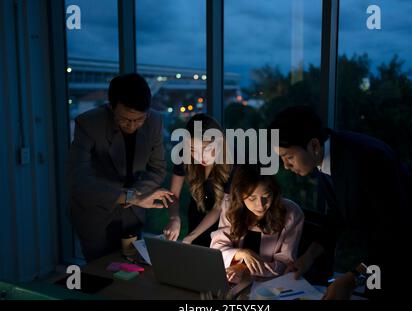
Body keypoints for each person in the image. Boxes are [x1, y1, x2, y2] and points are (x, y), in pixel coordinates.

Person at [269, 106, 412, 300]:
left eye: (289, 157)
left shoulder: (366, 160)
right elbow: (336, 213)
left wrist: (353, 278)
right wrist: (309, 257)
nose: (286, 166)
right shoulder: (325, 155)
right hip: (391, 242)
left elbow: (395, 231)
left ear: (313, 145)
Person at [69, 73, 173, 262]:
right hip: (96, 214)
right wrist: (134, 197)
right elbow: (80, 182)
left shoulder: (154, 121)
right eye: (125, 119)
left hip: (134, 215)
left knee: (132, 271)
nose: (132, 126)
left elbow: (157, 169)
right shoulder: (88, 124)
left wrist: (136, 198)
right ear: (111, 107)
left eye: (139, 119)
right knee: (100, 273)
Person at [210, 165, 304, 284]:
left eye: (266, 196)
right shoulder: (230, 206)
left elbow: (285, 263)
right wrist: (241, 253)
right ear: (240, 195)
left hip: (269, 283)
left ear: (274, 193)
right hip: (234, 281)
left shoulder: (292, 213)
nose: (260, 205)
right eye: (252, 198)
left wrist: (243, 268)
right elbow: (217, 249)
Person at [163, 113, 233, 247]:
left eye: (206, 149)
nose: (200, 156)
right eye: (193, 150)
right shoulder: (184, 155)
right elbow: (174, 195)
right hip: (196, 215)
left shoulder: (232, 162)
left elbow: (219, 208)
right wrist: (174, 218)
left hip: (223, 226)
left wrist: (190, 237)